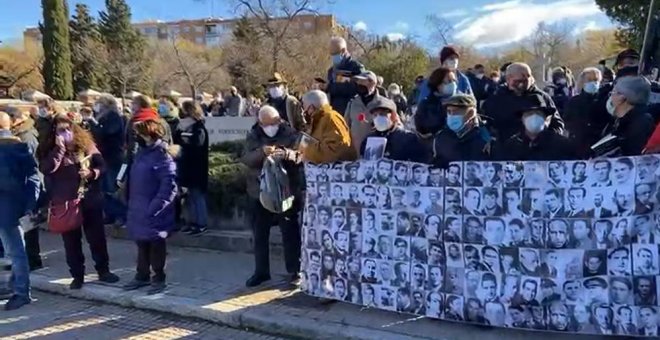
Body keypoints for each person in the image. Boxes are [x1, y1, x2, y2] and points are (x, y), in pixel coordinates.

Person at [37, 113, 119, 289]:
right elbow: (47, 169)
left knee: (96, 237)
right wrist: (58, 148)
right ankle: (77, 275)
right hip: (65, 201)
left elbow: (101, 165)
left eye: (68, 128)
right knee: (71, 241)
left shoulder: (85, 144)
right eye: (60, 129)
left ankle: (103, 270)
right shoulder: (47, 148)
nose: (65, 132)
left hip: (89, 197)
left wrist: (92, 173)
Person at [241, 106, 304, 287]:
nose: (271, 127)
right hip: (259, 191)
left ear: (279, 120)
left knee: (289, 232)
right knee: (260, 233)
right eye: (266, 124)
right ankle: (261, 272)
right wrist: (262, 152)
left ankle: (295, 270)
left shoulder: (290, 133)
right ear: (260, 123)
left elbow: (302, 155)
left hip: (286, 191)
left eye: (274, 123)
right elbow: (246, 158)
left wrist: (286, 154)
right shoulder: (253, 134)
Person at [121, 118, 177, 295]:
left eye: (139, 134)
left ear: (149, 135)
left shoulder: (162, 154)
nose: (136, 137)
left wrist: (155, 207)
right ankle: (142, 275)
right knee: (142, 243)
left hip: (154, 209)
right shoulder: (142, 153)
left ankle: (159, 277)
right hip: (139, 206)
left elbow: (169, 185)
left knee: (156, 244)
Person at [0, 111, 40, 310]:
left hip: (6, 208)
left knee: (15, 251)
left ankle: (21, 292)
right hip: (14, 208)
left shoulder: (8, 150)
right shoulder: (20, 147)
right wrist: (29, 204)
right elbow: (34, 177)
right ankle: (15, 287)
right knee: (15, 250)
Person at [482, 62, 564, 143]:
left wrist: (548, 139)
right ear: (508, 79)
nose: (522, 85)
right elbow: (486, 124)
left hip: (538, 150)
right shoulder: (496, 99)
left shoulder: (542, 98)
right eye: (518, 81)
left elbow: (557, 123)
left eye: (526, 80)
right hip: (506, 150)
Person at [5, 106, 43, 270]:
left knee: (29, 226)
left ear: (16, 119)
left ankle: (33, 260)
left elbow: (30, 164)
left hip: (28, 185)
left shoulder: (26, 136)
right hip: (23, 186)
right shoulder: (18, 136)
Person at [495, 94, 576, 161]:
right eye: (529, 114)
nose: (533, 117)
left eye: (538, 113)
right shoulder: (511, 146)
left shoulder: (562, 144)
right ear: (522, 119)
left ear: (546, 119)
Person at [174, 101, 209, 235]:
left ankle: (201, 223)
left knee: (197, 196)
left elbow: (197, 147)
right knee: (189, 197)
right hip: (185, 167)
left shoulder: (199, 128)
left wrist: (184, 145)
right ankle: (192, 222)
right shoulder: (183, 127)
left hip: (196, 168)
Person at [92, 94, 127, 227]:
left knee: (112, 188)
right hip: (103, 156)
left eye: (100, 103)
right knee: (103, 188)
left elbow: (106, 132)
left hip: (113, 156)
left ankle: (121, 215)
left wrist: (93, 124)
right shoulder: (100, 117)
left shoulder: (114, 117)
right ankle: (110, 214)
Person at [359, 97, 426, 162]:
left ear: (393, 115)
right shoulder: (368, 140)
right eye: (375, 115)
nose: (378, 118)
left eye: (382, 114)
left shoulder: (408, 139)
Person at [432, 94, 490, 167]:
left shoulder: (485, 137)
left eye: (456, 112)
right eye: (449, 112)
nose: (451, 115)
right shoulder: (441, 138)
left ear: (470, 113)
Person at [601, 76, 654, 156]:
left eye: (613, 93)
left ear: (622, 98)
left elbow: (633, 153)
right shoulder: (617, 120)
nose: (610, 97)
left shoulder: (641, 122)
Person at [300, 90, 357, 164]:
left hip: (338, 172)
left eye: (305, 109)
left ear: (311, 107)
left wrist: (307, 151)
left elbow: (336, 150)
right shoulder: (318, 120)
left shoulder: (331, 118)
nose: (304, 113)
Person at [564, 67, 609, 157]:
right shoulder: (574, 101)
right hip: (578, 145)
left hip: (599, 145)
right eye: (589, 80)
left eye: (596, 80)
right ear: (583, 82)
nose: (593, 82)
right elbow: (567, 121)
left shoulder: (605, 100)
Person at [322, 36, 365, 115]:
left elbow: (358, 88)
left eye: (335, 53)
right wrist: (323, 87)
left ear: (343, 51)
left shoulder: (356, 67)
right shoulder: (331, 71)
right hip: (334, 112)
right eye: (331, 54)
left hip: (351, 112)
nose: (333, 57)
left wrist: (330, 87)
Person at [344, 70, 385, 153]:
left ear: (372, 83)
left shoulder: (384, 104)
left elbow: (395, 125)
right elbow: (344, 126)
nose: (359, 84)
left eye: (362, 81)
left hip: (375, 153)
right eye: (358, 82)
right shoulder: (352, 103)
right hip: (354, 153)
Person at [415, 67, 461, 138]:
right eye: (448, 81)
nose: (453, 84)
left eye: (454, 80)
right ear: (437, 84)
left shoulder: (463, 102)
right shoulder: (426, 105)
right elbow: (422, 131)